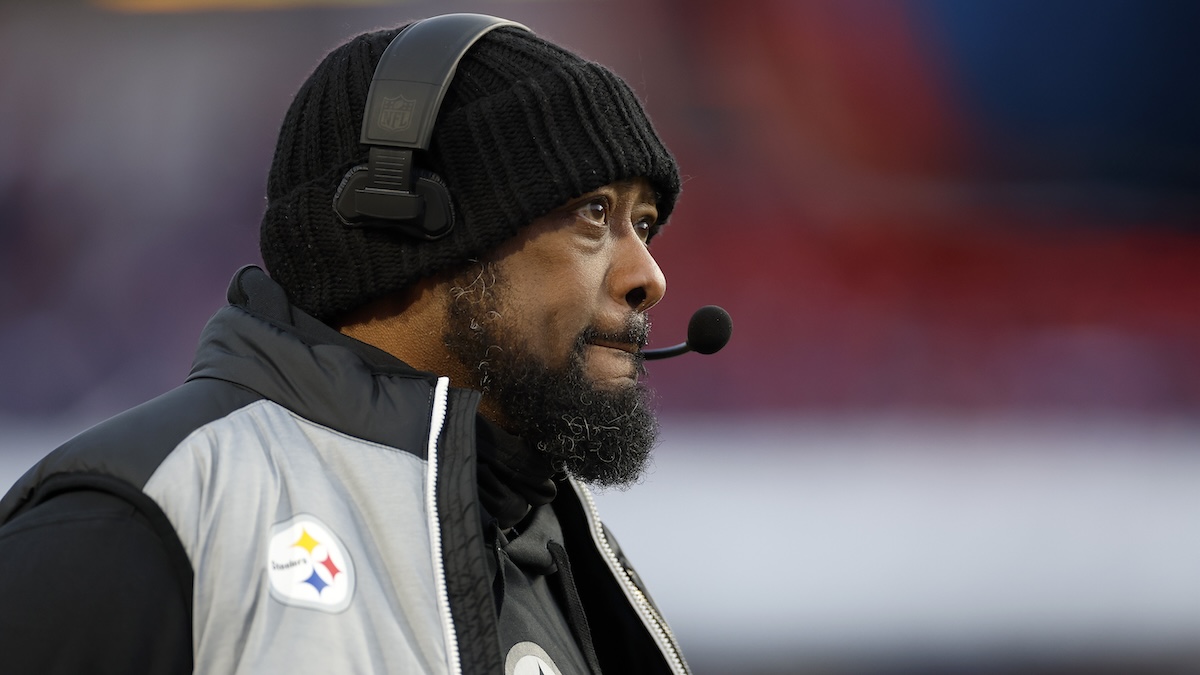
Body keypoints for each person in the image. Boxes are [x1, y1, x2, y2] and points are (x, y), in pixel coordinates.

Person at [0, 13, 693, 675]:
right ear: (401, 222)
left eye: (644, 223)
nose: (650, 277)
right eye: (594, 213)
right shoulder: (137, 521)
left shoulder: (567, 561)